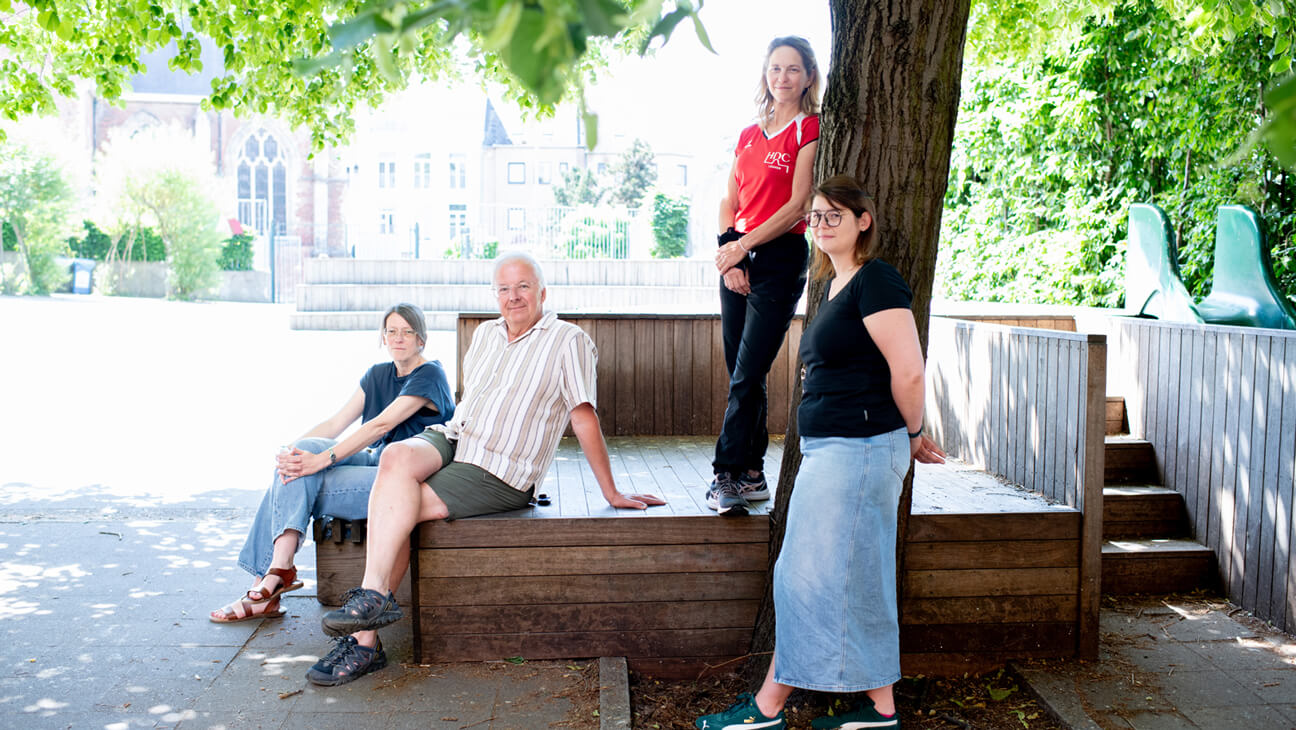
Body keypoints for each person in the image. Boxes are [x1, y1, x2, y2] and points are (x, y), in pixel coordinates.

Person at [304, 251, 666, 686]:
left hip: (501, 468)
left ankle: (366, 639)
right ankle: (374, 600)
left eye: (523, 287)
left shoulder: (568, 340)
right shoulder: (486, 335)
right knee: (394, 457)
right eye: (504, 289)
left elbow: (582, 415)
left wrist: (610, 492)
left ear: (542, 292)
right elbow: (471, 401)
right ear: (495, 294)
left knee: (403, 504)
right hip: (458, 438)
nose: (513, 297)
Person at [696, 176, 946, 730]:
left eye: (836, 214)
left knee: (803, 577)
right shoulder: (833, 284)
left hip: (859, 452)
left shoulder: (875, 280)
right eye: (815, 215)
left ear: (865, 221)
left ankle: (766, 709)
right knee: (855, 576)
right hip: (835, 450)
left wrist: (910, 435)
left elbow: (908, 369)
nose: (822, 223)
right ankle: (881, 710)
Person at [209, 303, 454, 623]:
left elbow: (379, 426)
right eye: (391, 331)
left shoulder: (430, 374)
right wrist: (291, 452)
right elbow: (336, 424)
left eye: (407, 332)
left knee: (302, 473)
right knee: (297, 459)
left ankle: (265, 585)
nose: (398, 338)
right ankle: (275, 574)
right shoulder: (377, 375)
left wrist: (319, 462)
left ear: (421, 339)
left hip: (402, 477)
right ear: (382, 337)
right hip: (371, 461)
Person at [709, 36, 820, 516]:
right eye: (775, 68)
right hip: (737, 252)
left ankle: (724, 475)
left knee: (750, 370)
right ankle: (752, 474)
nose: (782, 77)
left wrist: (744, 247)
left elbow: (798, 204)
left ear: (808, 77)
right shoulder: (749, 134)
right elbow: (728, 200)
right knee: (740, 371)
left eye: (793, 69)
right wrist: (730, 255)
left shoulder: (809, 128)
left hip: (778, 255)